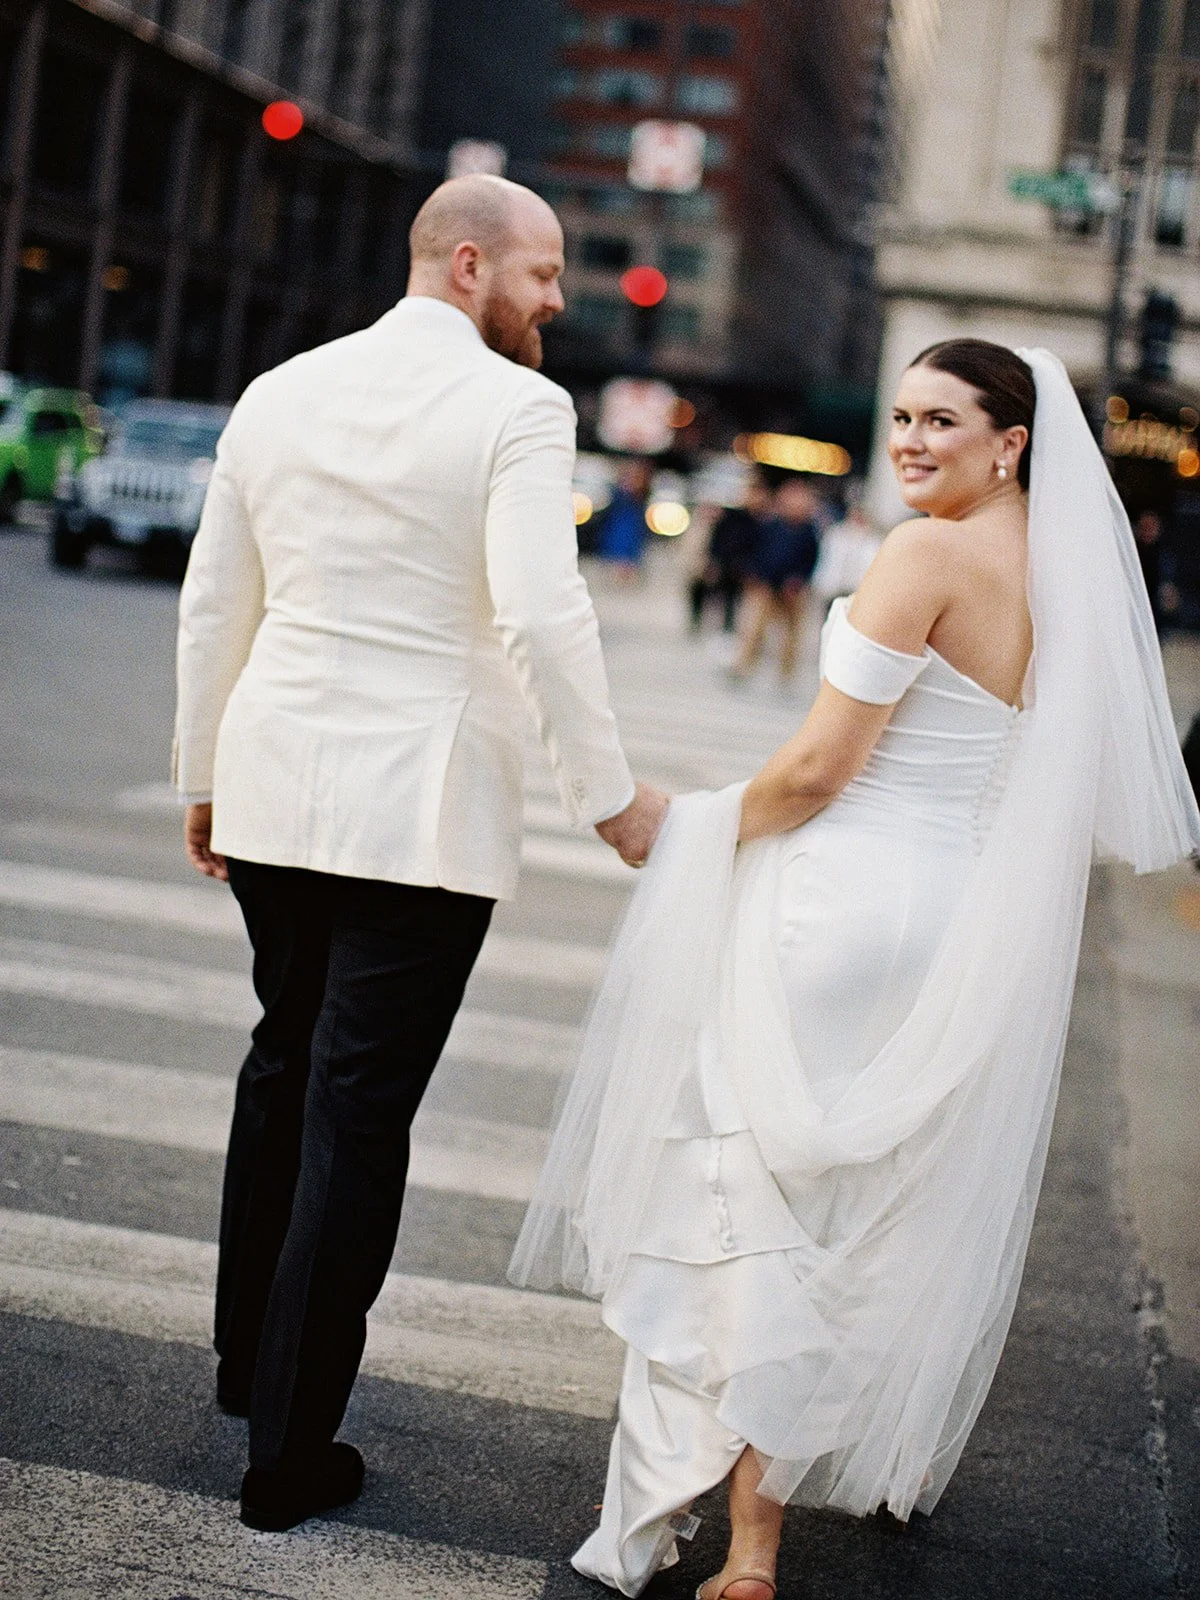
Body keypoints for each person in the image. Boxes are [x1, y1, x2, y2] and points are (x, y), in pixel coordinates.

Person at [510, 340, 1200, 1599]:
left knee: (737, 1194)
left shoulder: (925, 554)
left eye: (944, 420)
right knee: (843, 1219)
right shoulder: (1065, 574)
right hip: (945, 918)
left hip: (834, 906)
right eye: (900, 417)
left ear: (1011, 442)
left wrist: (697, 825)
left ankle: (693, 1530)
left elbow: (823, 770)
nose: (912, 441)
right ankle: (763, 1532)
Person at [173, 173, 668, 1535]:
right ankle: (287, 1449)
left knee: (284, 1055)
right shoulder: (518, 407)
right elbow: (541, 612)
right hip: (422, 812)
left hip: (276, 784)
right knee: (355, 1105)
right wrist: (609, 795)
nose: (559, 303)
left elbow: (221, 594)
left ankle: (244, 1364)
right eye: (546, 275)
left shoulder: (282, 388)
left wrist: (204, 773)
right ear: (467, 265)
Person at [731, 477, 821, 681]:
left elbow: (811, 561)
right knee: (753, 628)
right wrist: (754, 574)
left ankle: (786, 673)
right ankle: (742, 665)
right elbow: (757, 551)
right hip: (767, 584)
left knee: (791, 634)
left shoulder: (808, 531)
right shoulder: (772, 524)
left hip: (793, 589)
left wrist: (799, 580)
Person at [687, 474, 772, 634]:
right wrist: (713, 560)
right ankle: (697, 622)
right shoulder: (732, 516)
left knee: (732, 600)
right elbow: (718, 539)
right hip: (724, 563)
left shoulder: (763, 521)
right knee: (703, 591)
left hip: (742, 567)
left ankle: (728, 628)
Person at [810, 483, 883, 611]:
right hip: (834, 590)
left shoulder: (873, 540)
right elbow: (827, 561)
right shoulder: (836, 534)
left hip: (858, 593)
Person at [597, 458, 653, 582]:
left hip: (631, 527)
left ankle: (627, 570)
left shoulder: (641, 492)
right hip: (619, 526)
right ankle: (618, 569)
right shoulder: (618, 491)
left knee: (628, 547)